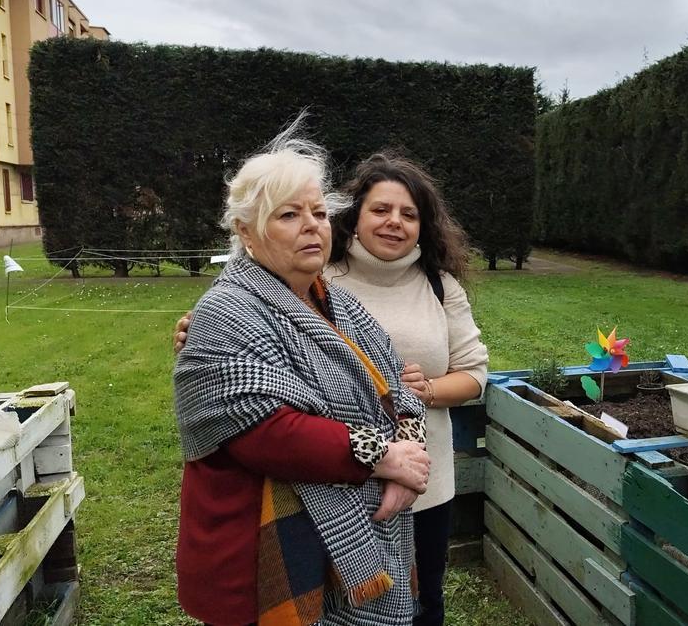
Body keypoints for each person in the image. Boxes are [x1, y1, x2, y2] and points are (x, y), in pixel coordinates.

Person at [174, 151, 489, 626]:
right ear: (245, 231)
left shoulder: (340, 305)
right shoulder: (226, 313)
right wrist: (384, 458)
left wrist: (408, 462)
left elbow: (399, 389)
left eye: (318, 213)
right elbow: (265, 430)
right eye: (288, 214)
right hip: (263, 550)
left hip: (361, 522)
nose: (311, 225)